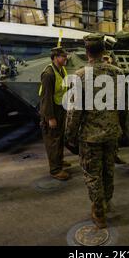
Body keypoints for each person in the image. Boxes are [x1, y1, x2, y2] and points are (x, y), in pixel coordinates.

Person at [66, 34, 123, 229]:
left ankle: (98, 211)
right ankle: (106, 201)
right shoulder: (118, 72)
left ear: (86, 51)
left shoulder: (82, 75)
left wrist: (70, 134)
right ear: (103, 51)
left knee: (92, 173)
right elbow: (122, 104)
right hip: (112, 132)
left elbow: (75, 110)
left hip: (91, 135)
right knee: (108, 170)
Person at [39, 47, 71, 181]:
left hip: (60, 108)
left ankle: (59, 161)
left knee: (60, 137)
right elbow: (46, 98)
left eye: (65, 56)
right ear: (55, 58)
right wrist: (50, 117)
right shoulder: (48, 74)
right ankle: (55, 170)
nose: (66, 58)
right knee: (52, 139)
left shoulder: (62, 69)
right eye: (63, 56)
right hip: (51, 110)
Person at [102, 52, 126, 165]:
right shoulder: (96, 73)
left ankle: (114, 155)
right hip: (99, 110)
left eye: (108, 59)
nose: (107, 61)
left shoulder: (115, 72)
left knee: (115, 133)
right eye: (104, 59)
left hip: (113, 108)